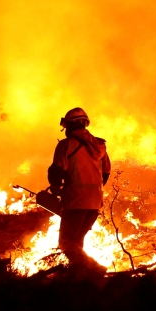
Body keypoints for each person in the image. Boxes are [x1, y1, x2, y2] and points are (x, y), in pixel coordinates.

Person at [47, 107, 111, 271]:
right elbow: (105, 173)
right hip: (94, 204)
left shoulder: (66, 145)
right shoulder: (100, 146)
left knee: (67, 244)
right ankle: (80, 278)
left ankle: (95, 270)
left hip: (75, 202)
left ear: (69, 126)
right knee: (77, 243)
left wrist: (56, 189)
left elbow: (56, 171)